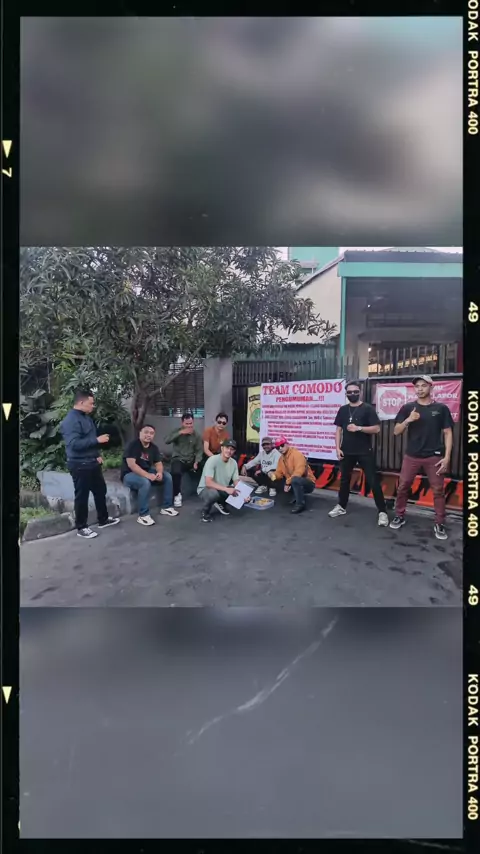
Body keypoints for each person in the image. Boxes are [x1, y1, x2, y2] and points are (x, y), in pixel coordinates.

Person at [390, 375, 454, 540]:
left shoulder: (441, 408)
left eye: (423, 385)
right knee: (403, 486)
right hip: (412, 455)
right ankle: (399, 515)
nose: (420, 389)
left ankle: (440, 522)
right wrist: (408, 420)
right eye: (417, 386)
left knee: (438, 490)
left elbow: (448, 433)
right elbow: (396, 431)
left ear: (431, 387)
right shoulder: (408, 408)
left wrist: (447, 457)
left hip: (434, 456)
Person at [60, 389, 121, 539]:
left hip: (92, 462)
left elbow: (90, 439)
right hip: (79, 464)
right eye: (91, 403)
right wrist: (97, 440)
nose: (93, 406)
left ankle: (103, 519)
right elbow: (74, 444)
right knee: (82, 496)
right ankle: (81, 527)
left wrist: (97, 455)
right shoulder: (71, 421)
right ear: (81, 402)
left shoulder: (86, 418)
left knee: (100, 491)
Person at [329, 381, 389, 526]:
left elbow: (376, 429)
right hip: (346, 451)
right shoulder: (343, 410)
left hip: (364, 451)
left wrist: (359, 428)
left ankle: (382, 512)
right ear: (346, 394)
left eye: (355, 391)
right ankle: (341, 506)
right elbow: (338, 430)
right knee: (344, 480)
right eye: (349, 392)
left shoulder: (367, 409)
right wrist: (337, 448)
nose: (352, 394)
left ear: (360, 392)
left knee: (373, 481)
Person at [121, 424, 178, 526]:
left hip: (146, 471)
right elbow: (132, 465)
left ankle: (166, 507)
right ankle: (143, 515)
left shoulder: (153, 447)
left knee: (167, 477)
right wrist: (147, 475)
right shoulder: (133, 445)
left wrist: (159, 472)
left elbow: (158, 463)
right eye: (146, 432)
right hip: (129, 474)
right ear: (140, 433)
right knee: (145, 482)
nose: (148, 435)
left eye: (151, 433)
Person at [197, 439, 250, 522]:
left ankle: (220, 502)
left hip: (222, 488)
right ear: (222, 448)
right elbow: (208, 483)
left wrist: (244, 494)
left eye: (232, 449)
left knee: (236, 492)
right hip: (206, 489)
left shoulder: (233, 463)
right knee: (213, 494)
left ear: (234, 451)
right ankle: (205, 512)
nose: (229, 451)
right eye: (227, 448)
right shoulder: (212, 460)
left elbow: (236, 481)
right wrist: (226, 489)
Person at [165, 413, 204, 508]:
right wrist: (180, 433)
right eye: (187, 424)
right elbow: (167, 440)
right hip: (179, 459)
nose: (189, 426)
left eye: (191, 423)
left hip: (191, 460)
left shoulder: (196, 435)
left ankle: (205, 492)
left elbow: (199, 450)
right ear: (182, 423)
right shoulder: (177, 432)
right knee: (176, 472)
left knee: (205, 466)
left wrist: (197, 461)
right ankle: (177, 495)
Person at [269, 437, 316, 514]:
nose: (280, 448)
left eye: (282, 445)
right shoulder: (281, 458)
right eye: (277, 447)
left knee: (295, 480)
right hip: (292, 481)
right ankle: (296, 495)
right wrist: (273, 475)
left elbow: (299, 472)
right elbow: (279, 473)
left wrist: (287, 483)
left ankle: (300, 504)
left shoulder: (297, 455)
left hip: (308, 483)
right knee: (277, 480)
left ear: (287, 444)